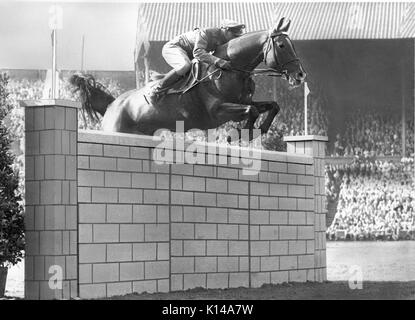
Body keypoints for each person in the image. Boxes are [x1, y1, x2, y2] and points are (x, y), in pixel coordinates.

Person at [149, 19, 246, 103]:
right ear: (226, 30)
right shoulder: (207, 32)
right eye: (234, 35)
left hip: (189, 55)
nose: (235, 38)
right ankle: (156, 89)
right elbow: (198, 53)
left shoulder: (224, 39)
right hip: (174, 48)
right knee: (184, 66)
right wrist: (219, 61)